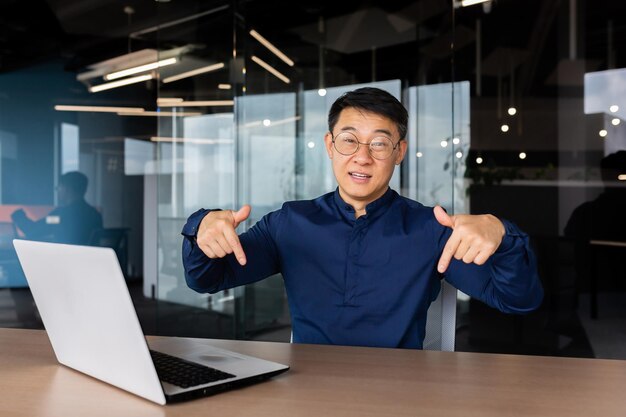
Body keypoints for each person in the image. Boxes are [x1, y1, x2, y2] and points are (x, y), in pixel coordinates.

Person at [181, 87, 543, 349]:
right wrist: (202, 226)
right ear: (329, 145)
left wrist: (502, 234)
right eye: (349, 140)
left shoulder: (431, 229)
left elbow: (517, 300)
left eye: (380, 143)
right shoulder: (290, 223)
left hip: (400, 391)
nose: (362, 157)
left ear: (399, 151)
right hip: (309, 389)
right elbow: (207, 278)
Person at [11, 171, 103, 245]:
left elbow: (33, 230)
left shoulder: (60, 216)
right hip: (87, 263)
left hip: (64, 262)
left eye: (58, 187)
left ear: (67, 189)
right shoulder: (95, 215)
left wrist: (19, 216)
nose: (57, 191)